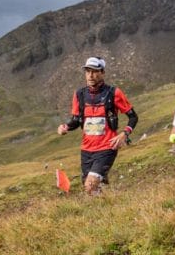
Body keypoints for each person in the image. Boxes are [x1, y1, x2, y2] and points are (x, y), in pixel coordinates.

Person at [57, 57, 138, 194]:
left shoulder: (114, 93)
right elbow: (76, 120)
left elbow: (133, 117)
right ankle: (108, 207)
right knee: (92, 190)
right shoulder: (79, 95)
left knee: (90, 186)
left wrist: (124, 134)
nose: (90, 75)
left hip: (107, 147)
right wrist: (65, 127)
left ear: (102, 72)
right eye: (88, 71)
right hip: (86, 149)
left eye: (94, 71)